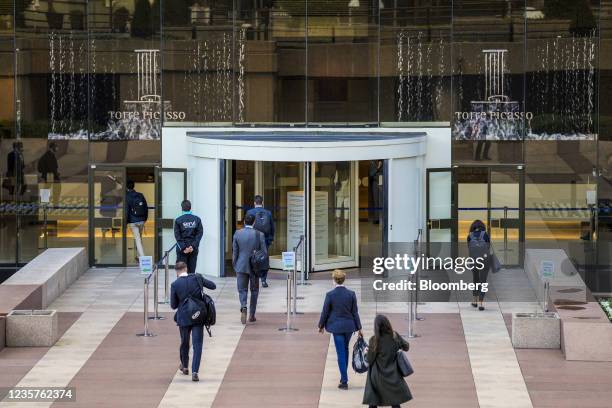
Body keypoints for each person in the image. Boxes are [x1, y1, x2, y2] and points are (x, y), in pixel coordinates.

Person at [170, 261, 216, 382]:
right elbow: (213, 286)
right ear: (186, 268)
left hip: (184, 317)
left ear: (177, 272)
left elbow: (173, 305)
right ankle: (195, 371)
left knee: (185, 342)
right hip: (198, 315)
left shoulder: (175, 284)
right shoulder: (197, 277)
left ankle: (185, 366)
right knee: (197, 344)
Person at [318, 269, 362, 390]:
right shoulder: (351, 294)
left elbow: (325, 312)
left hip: (336, 327)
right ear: (344, 279)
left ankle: (344, 380)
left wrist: (320, 325)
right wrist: (359, 328)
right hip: (349, 327)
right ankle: (344, 375)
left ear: (334, 280)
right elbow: (355, 312)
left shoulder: (330, 295)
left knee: (340, 352)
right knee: (345, 349)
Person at [363, 315, 412, 408]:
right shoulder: (395, 336)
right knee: (395, 402)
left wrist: (366, 352)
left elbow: (369, 360)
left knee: (373, 402)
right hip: (394, 375)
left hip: (377, 377)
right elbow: (407, 347)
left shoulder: (374, 340)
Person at [232, 212, 267, 324]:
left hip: (241, 266)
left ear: (244, 222)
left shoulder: (238, 233)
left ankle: (243, 306)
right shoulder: (259, 234)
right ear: (254, 222)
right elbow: (264, 253)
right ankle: (252, 315)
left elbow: (235, 252)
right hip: (254, 266)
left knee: (242, 290)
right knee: (254, 290)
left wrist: (235, 265)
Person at [245, 195, 275, 287]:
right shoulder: (268, 213)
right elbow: (272, 228)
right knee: (264, 259)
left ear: (254, 203)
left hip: (252, 239)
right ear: (262, 203)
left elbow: (247, 226)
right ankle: (263, 280)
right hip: (265, 240)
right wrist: (270, 240)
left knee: (252, 259)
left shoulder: (250, 212)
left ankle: (254, 279)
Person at [467, 219, 491, 311]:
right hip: (484, 260)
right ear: (482, 226)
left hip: (474, 260)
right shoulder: (485, 234)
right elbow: (488, 247)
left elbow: (469, 248)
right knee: (483, 281)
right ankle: (481, 303)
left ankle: (474, 301)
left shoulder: (469, 236)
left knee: (475, 279)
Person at [174, 200, 203, 274]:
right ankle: (191, 285)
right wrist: (192, 247)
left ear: (182, 208)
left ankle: (182, 285)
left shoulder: (178, 220)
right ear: (190, 208)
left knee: (181, 273)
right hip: (193, 250)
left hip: (182, 250)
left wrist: (184, 248)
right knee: (191, 272)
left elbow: (177, 236)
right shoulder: (197, 219)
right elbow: (199, 234)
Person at [126, 180, 148, 260]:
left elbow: (127, 210)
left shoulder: (127, 196)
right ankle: (139, 255)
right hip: (141, 220)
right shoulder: (140, 195)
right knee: (139, 238)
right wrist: (145, 219)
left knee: (138, 239)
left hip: (133, 221)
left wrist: (126, 221)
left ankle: (143, 258)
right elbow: (145, 208)